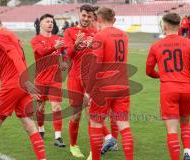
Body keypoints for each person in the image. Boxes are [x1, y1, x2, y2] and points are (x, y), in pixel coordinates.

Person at [0, 10, 47, 160]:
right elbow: (21, 59)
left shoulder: (1, 37)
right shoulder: (12, 35)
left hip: (12, 86)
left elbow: (16, 58)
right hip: (21, 87)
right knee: (28, 124)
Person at [146, 12, 190, 160]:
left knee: (172, 130)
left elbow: (148, 71)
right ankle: (187, 152)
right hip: (187, 89)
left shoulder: (156, 45)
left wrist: (162, 75)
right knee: (185, 122)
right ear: (179, 25)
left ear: (164, 26)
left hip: (168, 90)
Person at [87, 7, 133, 160]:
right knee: (124, 126)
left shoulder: (99, 36)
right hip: (123, 85)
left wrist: (89, 89)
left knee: (95, 124)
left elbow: (95, 65)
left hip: (104, 87)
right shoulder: (124, 35)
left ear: (98, 19)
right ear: (114, 19)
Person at [63, 4, 96, 158]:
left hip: (91, 79)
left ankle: (93, 151)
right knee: (76, 115)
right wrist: (76, 46)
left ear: (92, 17)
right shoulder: (69, 32)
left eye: (89, 16)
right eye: (84, 15)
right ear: (79, 14)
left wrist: (94, 46)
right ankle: (73, 145)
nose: (86, 19)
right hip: (75, 78)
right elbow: (67, 56)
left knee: (92, 115)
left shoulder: (95, 32)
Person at [31, 14, 66, 147]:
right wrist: (55, 47)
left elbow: (61, 53)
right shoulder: (36, 40)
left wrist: (62, 62)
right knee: (40, 108)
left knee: (56, 107)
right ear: (41, 24)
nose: (50, 24)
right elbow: (41, 52)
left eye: (52, 22)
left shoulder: (58, 39)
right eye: (47, 21)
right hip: (40, 80)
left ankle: (58, 137)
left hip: (55, 80)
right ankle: (41, 129)